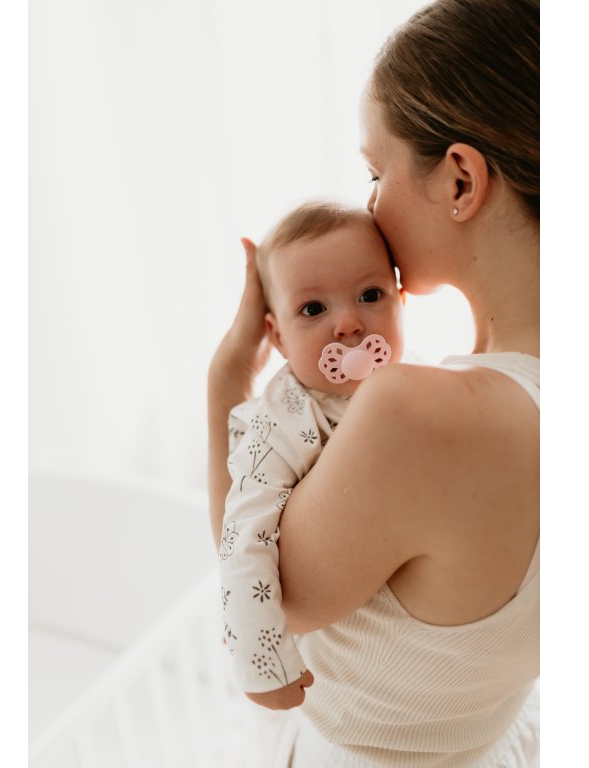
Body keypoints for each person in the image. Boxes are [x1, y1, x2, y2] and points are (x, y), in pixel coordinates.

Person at [208, 0, 540, 764]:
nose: (370, 205)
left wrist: (228, 378)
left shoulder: (412, 414)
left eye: (375, 172)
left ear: (460, 179)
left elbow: (261, 592)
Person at [219, 200, 405, 711]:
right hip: (332, 660)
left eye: (370, 295)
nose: (348, 323)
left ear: (401, 300)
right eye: (313, 309)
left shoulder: (413, 383)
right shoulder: (280, 426)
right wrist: (263, 664)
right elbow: (242, 539)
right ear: (278, 337)